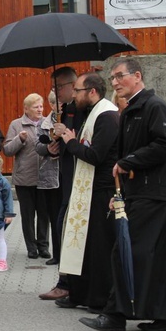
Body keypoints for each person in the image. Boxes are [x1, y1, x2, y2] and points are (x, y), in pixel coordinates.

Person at [81, 58, 166, 331]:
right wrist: (121, 194)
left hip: (154, 193)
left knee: (126, 251)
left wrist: (129, 162)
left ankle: (115, 315)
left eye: (120, 76)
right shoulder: (131, 109)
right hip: (142, 192)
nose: (114, 82)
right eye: (113, 77)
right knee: (161, 257)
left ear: (137, 76)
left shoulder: (154, 106)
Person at [55, 72, 119, 312]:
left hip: (101, 190)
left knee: (98, 247)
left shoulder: (108, 115)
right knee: (81, 243)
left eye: (78, 91)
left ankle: (99, 297)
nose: (74, 95)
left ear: (92, 92)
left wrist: (72, 143)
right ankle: (79, 293)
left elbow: (95, 156)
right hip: (86, 190)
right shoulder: (91, 113)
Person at [38, 67, 85, 300]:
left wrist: (66, 134)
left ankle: (69, 284)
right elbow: (48, 143)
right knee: (62, 228)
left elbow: (81, 139)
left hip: (79, 180)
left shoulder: (81, 109)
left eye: (58, 87)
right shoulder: (64, 110)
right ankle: (66, 282)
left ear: (70, 86)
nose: (55, 92)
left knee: (66, 228)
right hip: (65, 177)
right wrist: (53, 146)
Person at [3, 93, 50, 260]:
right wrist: (19, 139)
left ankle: (43, 246)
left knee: (44, 214)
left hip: (45, 178)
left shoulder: (48, 123)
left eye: (41, 106)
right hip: (25, 179)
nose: (39, 109)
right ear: (26, 109)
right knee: (28, 215)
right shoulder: (16, 125)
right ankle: (31, 247)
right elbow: (7, 150)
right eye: (36, 106)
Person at [35, 90, 62, 266]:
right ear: (52, 105)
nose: (61, 106)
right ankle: (57, 254)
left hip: (67, 173)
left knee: (64, 217)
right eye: (57, 104)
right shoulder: (43, 124)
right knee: (54, 217)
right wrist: (47, 149)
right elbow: (37, 145)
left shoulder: (69, 119)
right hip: (50, 177)